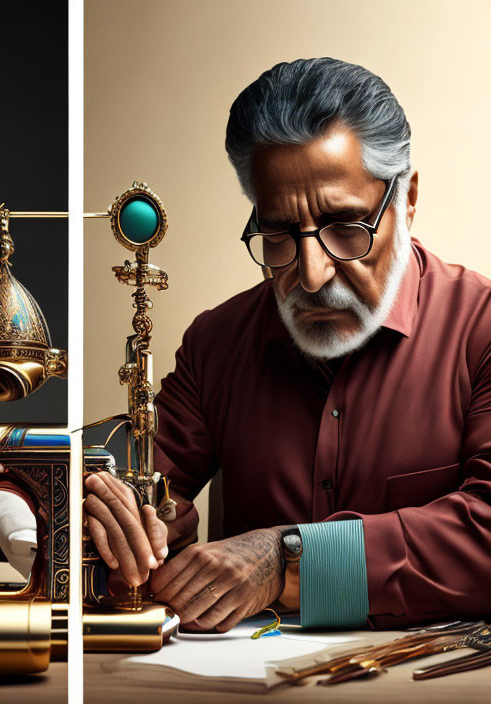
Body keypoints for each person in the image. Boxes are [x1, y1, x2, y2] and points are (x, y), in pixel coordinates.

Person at [149, 57, 491, 632]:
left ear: (406, 200)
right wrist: (120, 517)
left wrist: (288, 562)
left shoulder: (481, 330)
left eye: (345, 228)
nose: (310, 275)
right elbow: (144, 485)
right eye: (279, 234)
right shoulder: (214, 344)